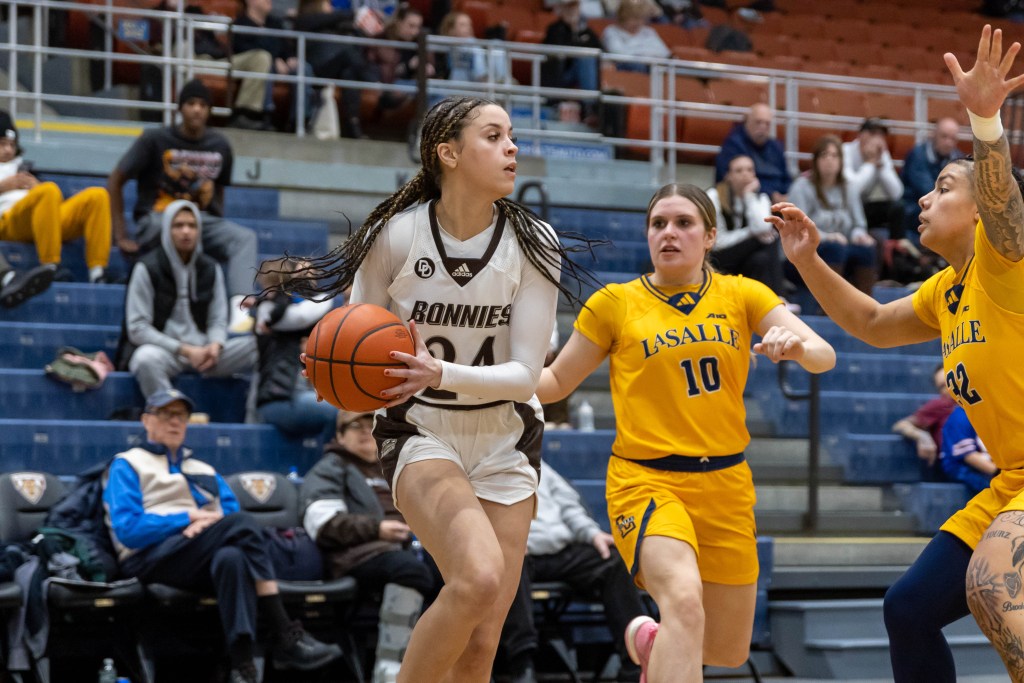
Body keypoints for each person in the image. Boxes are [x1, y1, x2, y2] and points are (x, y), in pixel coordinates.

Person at [278, 95, 598, 683]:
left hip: (507, 437)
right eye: (494, 136)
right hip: (421, 430)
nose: (512, 148)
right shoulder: (395, 237)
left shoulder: (534, 243)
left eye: (513, 137)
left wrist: (441, 371)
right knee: (476, 578)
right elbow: (355, 344)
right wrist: (333, 371)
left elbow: (529, 375)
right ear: (448, 153)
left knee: (481, 644)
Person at [768, 25, 1024, 682]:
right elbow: (875, 322)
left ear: (977, 210)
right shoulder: (948, 287)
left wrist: (985, 121)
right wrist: (808, 261)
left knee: (996, 588)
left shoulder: (1004, 262)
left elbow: (1008, 210)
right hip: (1009, 483)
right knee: (908, 607)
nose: (923, 198)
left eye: (942, 187)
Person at [535, 183, 835, 683]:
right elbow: (554, 382)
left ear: (711, 235)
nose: (669, 233)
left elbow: (824, 355)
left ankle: (648, 638)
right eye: (658, 224)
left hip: (726, 483)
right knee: (684, 605)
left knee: (725, 648)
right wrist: (471, 376)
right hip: (646, 482)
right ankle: (663, 636)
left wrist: (796, 346)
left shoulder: (742, 294)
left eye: (683, 223)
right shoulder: (614, 303)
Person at [102, 388, 342, 683]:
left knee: (232, 557)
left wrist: (207, 527)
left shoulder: (202, 469)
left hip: (196, 555)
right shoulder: (126, 463)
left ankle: (243, 667)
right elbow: (128, 531)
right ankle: (285, 633)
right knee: (240, 524)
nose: (175, 422)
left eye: (181, 415)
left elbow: (227, 519)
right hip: (148, 558)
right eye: (165, 414)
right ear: (146, 421)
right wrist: (187, 518)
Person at [301, 409, 438, 683]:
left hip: (406, 548)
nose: (365, 431)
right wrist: (377, 530)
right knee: (409, 570)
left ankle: (445, 667)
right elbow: (323, 523)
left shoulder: (393, 467)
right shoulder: (331, 468)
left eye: (370, 424)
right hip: (358, 554)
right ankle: (391, 668)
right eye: (355, 426)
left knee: (457, 572)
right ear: (340, 436)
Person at [108, 79, 258, 327]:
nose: (197, 109)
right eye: (191, 103)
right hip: (158, 218)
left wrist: (216, 221)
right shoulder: (154, 139)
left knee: (245, 238)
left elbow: (219, 188)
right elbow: (115, 181)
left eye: (202, 104)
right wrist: (121, 234)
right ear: (180, 108)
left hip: (201, 220)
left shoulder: (220, 145)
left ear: (209, 110)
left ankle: (239, 309)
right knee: (162, 227)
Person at [499, 460, 647, 683]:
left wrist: (593, 534)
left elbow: (569, 507)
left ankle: (634, 664)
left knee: (612, 561)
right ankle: (522, 666)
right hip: (518, 551)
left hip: (560, 549)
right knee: (509, 563)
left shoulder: (538, 464)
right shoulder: (475, 464)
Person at [117, 200, 255, 399]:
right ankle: (170, 411)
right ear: (166, 230)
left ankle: (254, 420)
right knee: (144, 359)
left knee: (259, 347)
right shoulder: (146, 268)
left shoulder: (210, 268)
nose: (186, 231)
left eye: (192, 226)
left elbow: (217, 320)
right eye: (178, 225)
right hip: (167, 352)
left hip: (206, 354)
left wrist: (216, 345)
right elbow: (137, 328)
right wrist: (186, 350)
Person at [0, 111, 111, 283]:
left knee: (98, 196)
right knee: (48, 190)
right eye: (2, 144)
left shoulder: (24, 167)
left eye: (12, 145)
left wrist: (36, 188)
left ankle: (98, 273)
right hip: (8, 221)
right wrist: (3, 187)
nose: (8, 150)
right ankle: (50, 266)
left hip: (40, 220)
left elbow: (53, 198)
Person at [251, 257, 338, 440]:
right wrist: (334, 297)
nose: (307, 282)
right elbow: (302, 315)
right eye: (300, 277)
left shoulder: (306, 317)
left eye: (311, 276)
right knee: (339, 412)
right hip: (280, 398)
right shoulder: (269, 311)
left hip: (299, 395)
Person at [788, 135, 878, 294]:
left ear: (841, 161)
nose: (829, 160)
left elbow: (858, 223)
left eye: (834, 155)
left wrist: (859, 235)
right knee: (835, 248)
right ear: (815, 160)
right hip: (809, 249)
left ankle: (867, 309)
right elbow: (798, 228)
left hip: (841, 246)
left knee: (867, 249)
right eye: (824, 155)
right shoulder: (801, 186)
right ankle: (828, 307)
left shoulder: (849, 188)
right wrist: (826, 237)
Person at [294, 0, 374, 139]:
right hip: (314, 71)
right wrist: (352, 14)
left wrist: (359, 26)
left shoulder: (333, 24)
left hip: (333, 70)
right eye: (328, 4)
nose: (331, 8)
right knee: (347, 54)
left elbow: (356, 32)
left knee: (349, 73)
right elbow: (327, 19)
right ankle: (373, 81)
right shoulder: (304, 21)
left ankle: (353, 126)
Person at [234, 0, 316, 132]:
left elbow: (285, 47)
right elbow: (244, 49)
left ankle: (300, 120)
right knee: (265, 63)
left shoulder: (275, 24)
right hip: (261, 64)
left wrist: (290, 58)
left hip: (281, 64)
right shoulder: (241, 23)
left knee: (303, 68)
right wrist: (274, 58)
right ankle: (266, 115)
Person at [706, 153, 783, 293]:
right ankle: (780, 294)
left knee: (761, 258)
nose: (745, 174)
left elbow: (763, 227)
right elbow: (717, 242)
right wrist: (750, 233)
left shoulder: (760, 197)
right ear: (728, 175)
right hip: (719, 257)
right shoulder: (714, 197)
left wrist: (749, 196)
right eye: (739, 170)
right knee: (767, 238)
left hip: (745, 260)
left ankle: (771, 299)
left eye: (749, 170)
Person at [891, 362, 957, 481]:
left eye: (951, 381)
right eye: (942, 386)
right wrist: (922, 436)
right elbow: (901, 425)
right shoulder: (941, 404)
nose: (948, 389)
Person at [842, 117, 905, 241]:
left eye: (880, 135)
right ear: (860, 135)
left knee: (898, 207)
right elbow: (853, 190)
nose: (876, 139)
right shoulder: (845, 150)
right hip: (844, 206)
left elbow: (897, 193)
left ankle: (897, 251)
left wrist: (881, 164)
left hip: (865, 207)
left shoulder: (881, 155)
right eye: (872, 133)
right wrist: (870, 163)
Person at [715, 103, 791, 202]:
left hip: (779, 202)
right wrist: (770, 195)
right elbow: (730, 179)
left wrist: (786, 195)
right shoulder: (733, 145)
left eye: (767, 123)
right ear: (747, 122)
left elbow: (787, 178)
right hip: (746, 200)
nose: (763, 127)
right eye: (758, 122)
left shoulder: (776, 146)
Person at [541, 0, 603, 118]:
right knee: (583, 58)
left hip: (580, 74)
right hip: (560, 74)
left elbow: (601, 52)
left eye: (574, 7)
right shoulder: (554, 29)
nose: (571, 11)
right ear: (561, 9)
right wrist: (572, 29)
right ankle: (590, 107)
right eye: (568, 7)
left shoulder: (587, 31)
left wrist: (576, 30)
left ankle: (591, 108)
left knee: (587, 59)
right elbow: (556, 52)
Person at [901, 117, 963, 234]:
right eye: (944, 136)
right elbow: (928, 191)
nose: (948, 143)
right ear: (933, 135)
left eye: (953, 139)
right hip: (914, 211)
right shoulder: (918, 155)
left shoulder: (958, 159)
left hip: (943, 211)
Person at [940, 406, 996, 496]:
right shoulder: (961, 415)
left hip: (989, 468)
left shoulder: (992, 413)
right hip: (964, 469)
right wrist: (999, 473)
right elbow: (969, 456)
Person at [601, 0, 670, 71]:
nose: (638, 22)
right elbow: (619, 54)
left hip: (651, 67)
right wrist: (646, 55)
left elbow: (664, 52)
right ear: (623, 17)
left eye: (641, 18)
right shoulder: (611, 31)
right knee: (636, 66)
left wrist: (640, 55)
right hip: (625, 70)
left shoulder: (648, 31)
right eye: (634, 18)